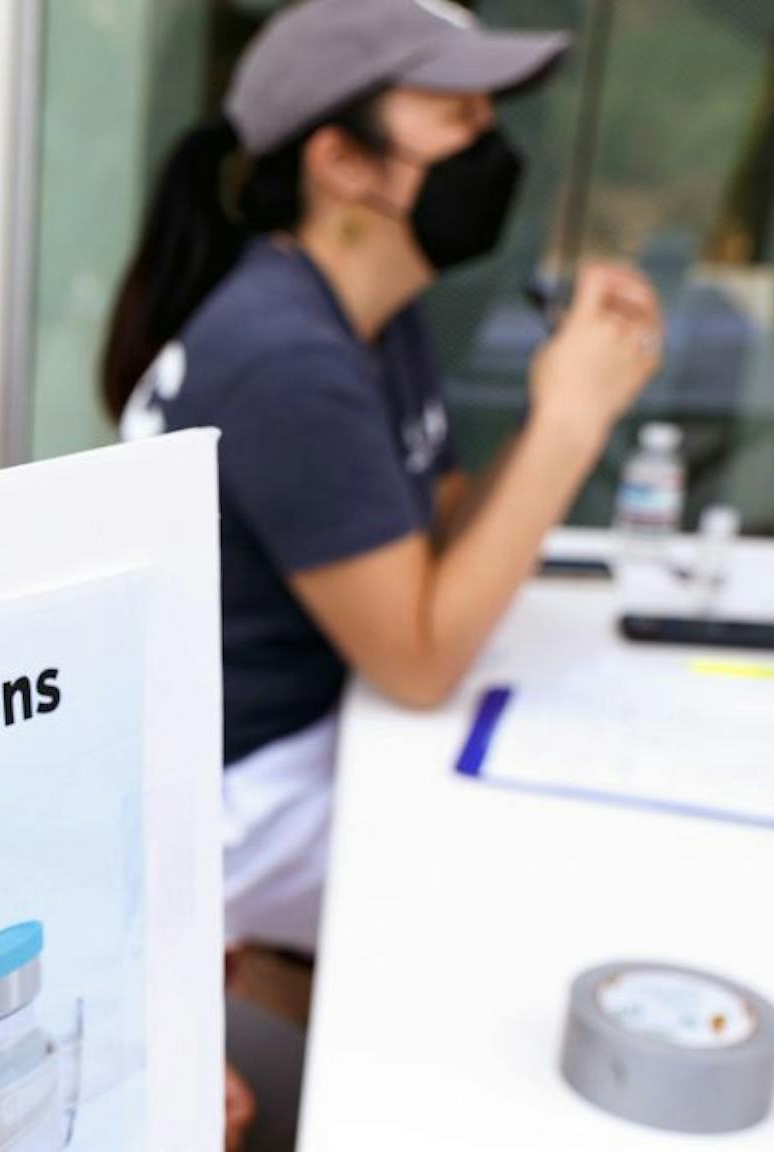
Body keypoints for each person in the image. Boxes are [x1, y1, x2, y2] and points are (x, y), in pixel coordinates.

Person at [103, 0, 663, 955]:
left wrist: (557, 405)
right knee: (572, 887)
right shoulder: (285, 355)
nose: (490, 143)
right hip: (233, 792)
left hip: (321, 729)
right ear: (343, 162)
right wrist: (572, 422)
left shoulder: (371, 309)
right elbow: (418, 660)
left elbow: (443, 536)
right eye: (457, 115)